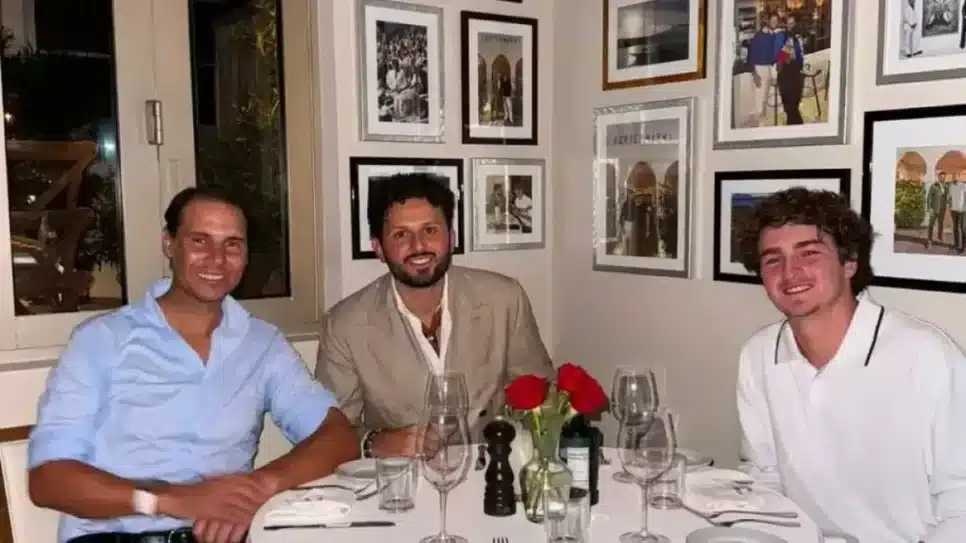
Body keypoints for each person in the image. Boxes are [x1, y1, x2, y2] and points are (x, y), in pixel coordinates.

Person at [28, 187, 358, 543]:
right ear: (169, 244)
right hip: (117, 536)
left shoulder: (263, 344)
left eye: (233, 244)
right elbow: (48, 480)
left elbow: (339, 438)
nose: (217, 259)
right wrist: (172, 500)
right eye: (200, 241)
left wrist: (256, 489)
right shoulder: (101, 340)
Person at [733, 187, 966, 542]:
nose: (790, 272)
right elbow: (763, 477)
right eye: (773, 260)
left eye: (809, 254)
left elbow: (961, 502)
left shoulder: (926, 355)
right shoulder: (759, 354)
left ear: (849, 262)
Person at [314, 172, 553, 458]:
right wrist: (375, 442)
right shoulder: (345, 325)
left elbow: (541, 395)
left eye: (430, 230)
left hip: (493, 471)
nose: (418, 246)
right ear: (378, 248)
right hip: (404, 478)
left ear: (451, 237)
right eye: (401, 234)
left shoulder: (504, 299)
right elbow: (328, 431)